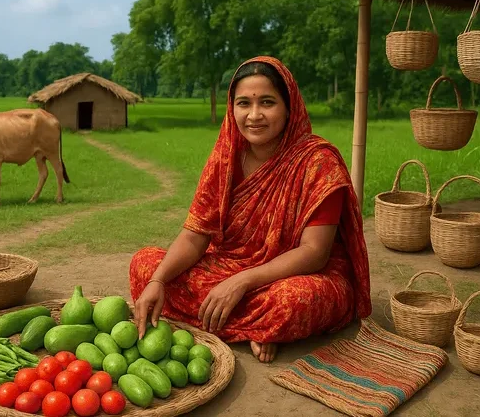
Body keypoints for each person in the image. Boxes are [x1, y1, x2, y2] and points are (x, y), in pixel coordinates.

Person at [130, 56, 372, 363]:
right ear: (232, 110)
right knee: (145, 265)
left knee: (294, 302)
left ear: (289, 107)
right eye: (243, 103)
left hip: (296, 275)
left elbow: (314, 252)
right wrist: (158, 281)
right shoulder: (226, 159)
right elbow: (194, 237)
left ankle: (245, 322)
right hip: (231, 263)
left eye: (267, 102)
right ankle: (253, 328)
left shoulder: (317, 163)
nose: (254, 115)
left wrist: (241, 283)